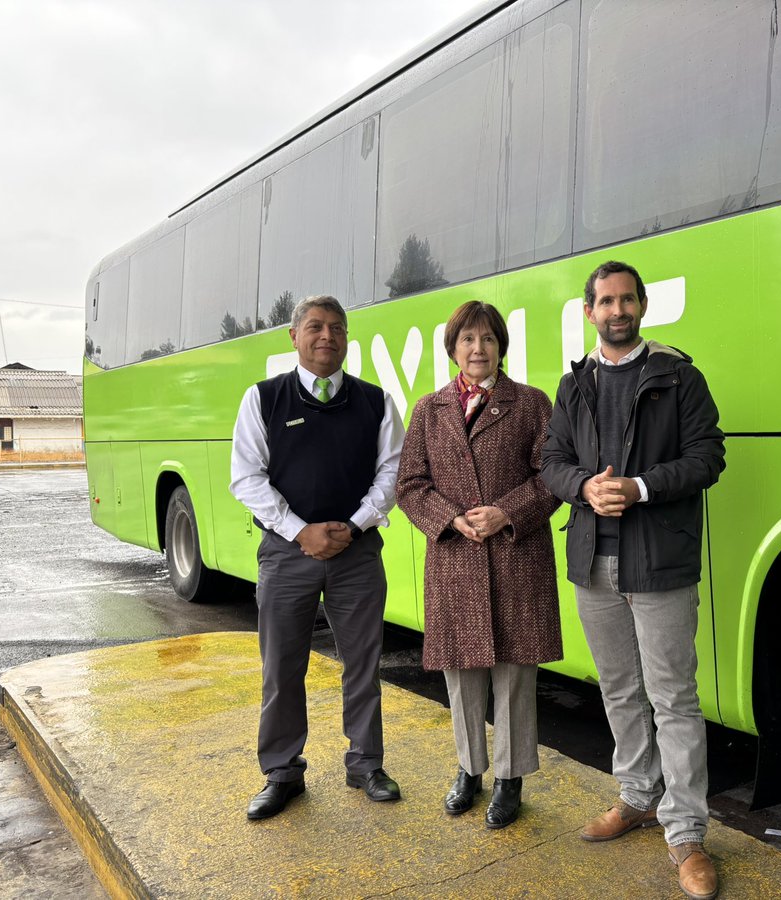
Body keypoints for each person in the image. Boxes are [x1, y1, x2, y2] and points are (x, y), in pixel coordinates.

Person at [541, 261, 726, 900]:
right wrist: (585, 488)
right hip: (594, 562)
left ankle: (687, 834)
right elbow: (551, 463)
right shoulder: (575, 386)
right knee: (620, 691)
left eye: (627, 300)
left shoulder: (680, 378)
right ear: (588, 310)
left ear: (642, 306)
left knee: (673, 698)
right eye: (606, 301)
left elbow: (709, 457)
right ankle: (638, 797)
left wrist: (640, 488)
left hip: (659, 563)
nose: (617, 310)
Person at [230, 294, 405, 820]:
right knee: (282, 666)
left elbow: (392, 473)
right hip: (286, 557)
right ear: (294, 337)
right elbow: (246, 476)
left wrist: (352, 526)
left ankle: (366, 763)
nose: (326, 336)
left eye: (336, 328)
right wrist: (300, 531)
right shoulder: (263, 399)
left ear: (347, 338)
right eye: (314, 327)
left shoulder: (375, 401)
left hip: (357, 553)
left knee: (363, 664)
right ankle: (282, 774)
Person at [396, 300, 561, 829]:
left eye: (487, 339)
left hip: (515, 555)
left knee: (514, 674)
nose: (477, 349)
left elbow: (554, 477)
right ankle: (469, 769)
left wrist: (505, 512)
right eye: (467, 339)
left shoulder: (532, 404)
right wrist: (449, 518)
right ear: (452, 348)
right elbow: (409, 486)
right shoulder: (429, 410)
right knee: (462, 674)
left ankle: (510, 779)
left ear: (501, 347)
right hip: (454, 558)